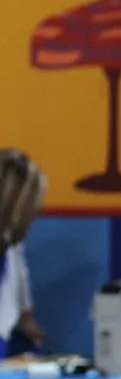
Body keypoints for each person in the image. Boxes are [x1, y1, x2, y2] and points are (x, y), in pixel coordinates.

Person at [1, 150, 49, 354]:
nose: (37, 212)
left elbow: (20, 274)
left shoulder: (9, 243)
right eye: (33, 204)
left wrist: (26, 317)